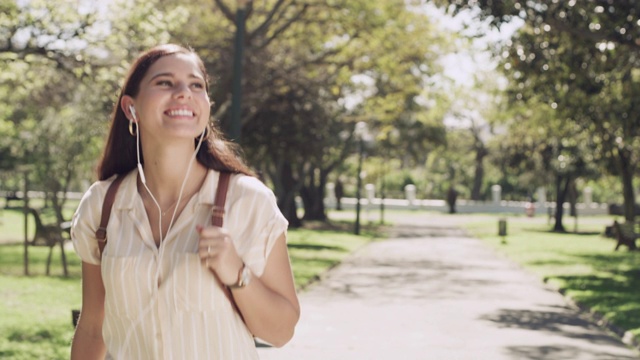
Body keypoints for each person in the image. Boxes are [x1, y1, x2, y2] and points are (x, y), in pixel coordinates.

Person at [70, 44, 300, 359]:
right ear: (130, 108)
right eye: (164, 82)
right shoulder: (101, 205)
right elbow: (93, 327)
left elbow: (281, 331)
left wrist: (236, 272)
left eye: (196, 85)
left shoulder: (248, 200)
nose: (183, 93)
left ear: (206, 106)